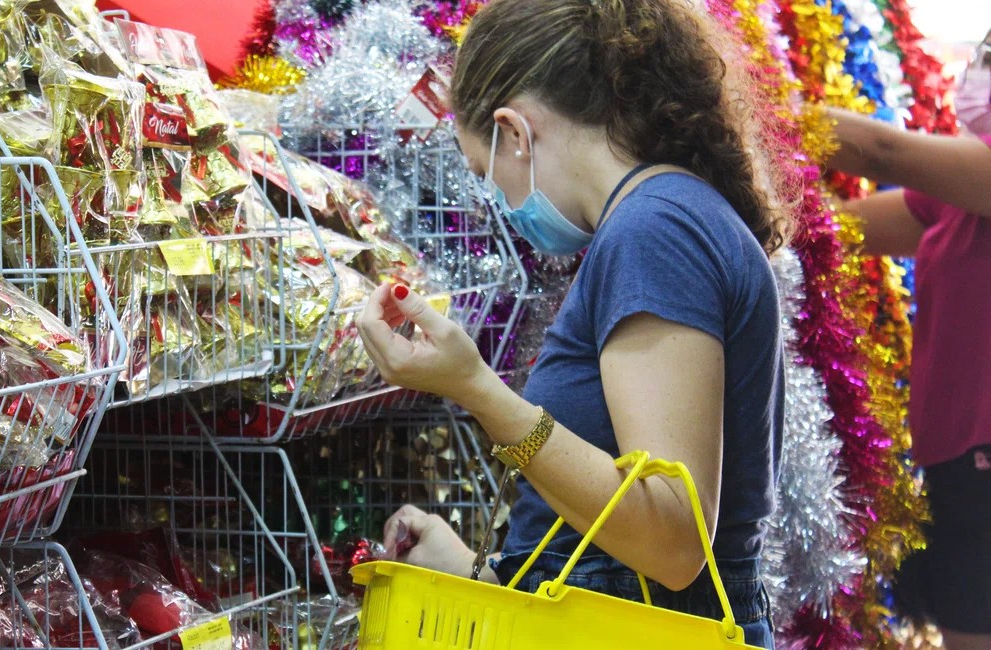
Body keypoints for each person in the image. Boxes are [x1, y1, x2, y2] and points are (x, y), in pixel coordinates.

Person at [354, 0, 788, 647]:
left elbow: (672, 541)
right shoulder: (667, 219)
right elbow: (625, 541)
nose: (500, 200)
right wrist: (494, 573)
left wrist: (476, 389)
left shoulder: (654, 232)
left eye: (486, 173)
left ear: (516, 132)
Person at [822, 28, 991, 650]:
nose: (977, 72)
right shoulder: (959, 194)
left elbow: (881, 152)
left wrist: (747, 108)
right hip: (956, 458)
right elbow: (843, 229)